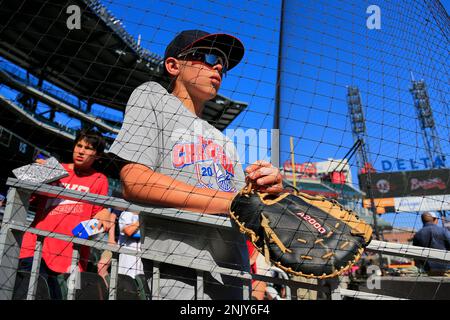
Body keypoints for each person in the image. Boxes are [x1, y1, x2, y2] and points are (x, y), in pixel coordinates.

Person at [108, 29, 282, 300]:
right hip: (179, 271)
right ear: (173, 65)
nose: (219, 66)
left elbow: (244, 208)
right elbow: (136, 181)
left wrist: (268, 192)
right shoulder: (153, 97)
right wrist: (230, 202)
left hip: (234, 275)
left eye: (223, 63)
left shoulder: (225, 141)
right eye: (210, 56)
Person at [18, 129, 115, 299]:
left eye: (88, 148)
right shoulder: (54, 168)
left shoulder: (100, 179)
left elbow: (99, 215)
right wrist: (34, 173)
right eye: (79, 145)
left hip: (74, 256)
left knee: (68, 297)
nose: (81, 151)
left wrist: (104, 215)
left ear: (98, 155)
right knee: (25, 294)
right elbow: (23, 193)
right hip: (35, 246)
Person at [412, 211, 450, 277]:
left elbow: (416, 255)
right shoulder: (444, 231)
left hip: (429, 270)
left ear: (422, 220)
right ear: (434, 219)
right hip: (447, 268)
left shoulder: (418, 234)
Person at [117, 211, 144, 278]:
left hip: (141, 257)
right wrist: (143, 219)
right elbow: (128, 231)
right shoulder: (126, 213)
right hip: (128, 259)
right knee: (126, 282)